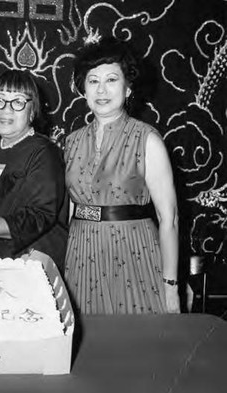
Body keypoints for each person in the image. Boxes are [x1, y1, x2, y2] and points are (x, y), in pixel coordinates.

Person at [64, 37, 180, 314]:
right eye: (93, 81)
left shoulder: (147, 140)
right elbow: (72, 207)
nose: (101, 90)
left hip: (133, 250)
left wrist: (171, 284)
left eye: (112, 79)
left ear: (128, 88)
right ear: (83, 89)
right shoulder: (72, 141)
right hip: (82, 252)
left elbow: (169, 218)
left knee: (137, 345)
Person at [0, 70, 69, 271]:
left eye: (18, 102)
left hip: (27, 263)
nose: (6, 110)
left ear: (32, 110)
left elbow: (39, 216)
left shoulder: (43, 152)